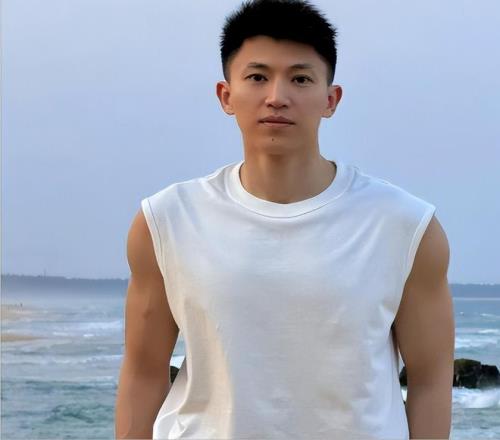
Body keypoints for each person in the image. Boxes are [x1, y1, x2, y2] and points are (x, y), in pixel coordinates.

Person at [115, 0, 455, 438]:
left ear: (330, 99)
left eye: (300, 78)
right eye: (257, 77)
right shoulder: (168, 220)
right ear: (226, 96)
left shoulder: (404, 225)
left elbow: (430, 380)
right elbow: (143, 374)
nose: (277, 97)